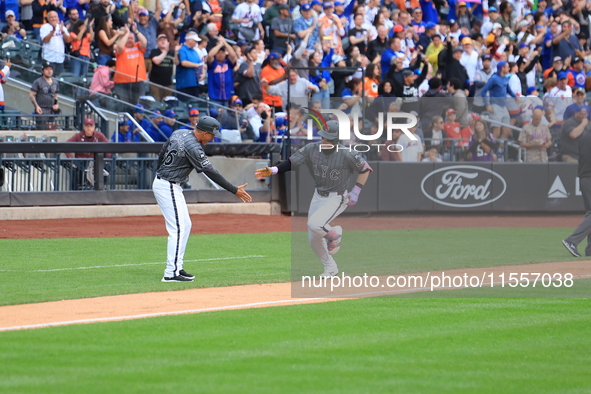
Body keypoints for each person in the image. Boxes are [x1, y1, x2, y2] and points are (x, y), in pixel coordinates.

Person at [254, 120, 372, 277]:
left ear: (336, 139)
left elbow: (365, 169)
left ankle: (335, 234)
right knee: (313, 237)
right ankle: (330, 267)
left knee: (315, 224)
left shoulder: (347, 153)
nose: (324, 141)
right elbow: (292, 162)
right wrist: (274, 170)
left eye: (328, 138)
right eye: (323, 137)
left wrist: (357, 190)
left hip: (337, 197)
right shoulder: (312, 148)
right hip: (318, 195)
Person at [153, 116, 252, 282]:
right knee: (178, 229)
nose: (213, 138)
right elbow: (210, 172)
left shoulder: (180, 132)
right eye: (212, 135)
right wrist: (234, 190)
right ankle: (171, 273)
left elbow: (162, 153)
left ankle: (177, 266)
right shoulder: (194, 147)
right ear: (204, 133)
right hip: (168, 185)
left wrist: (159, 172)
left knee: (186, 225)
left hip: (167, 183)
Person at [562, 128, 591, 258]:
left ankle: (590, 249)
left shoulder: (585, 136)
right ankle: (572, 240)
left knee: (590, 214)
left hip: (584, 178)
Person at [113, 22, 147, 110]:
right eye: (128, 38)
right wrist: (127, 33)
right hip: (122, 81)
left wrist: (136, 31)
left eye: (132, 38)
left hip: (138, 80)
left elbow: (144, 42)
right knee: (124, 105)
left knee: (138, 105)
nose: (130, 40)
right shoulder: (120, 47)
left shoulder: (138, 46)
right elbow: (120, 46)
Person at [30, 61, 59, 130]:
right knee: (42, 130)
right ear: (43, 71)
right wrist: (36, 106)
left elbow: (55, 95)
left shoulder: (55, 83)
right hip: (42, 110)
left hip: (51, 110)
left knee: (52, 130)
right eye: (47, 69)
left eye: (50, 69)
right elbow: (31, 95)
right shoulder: (38, 81)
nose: (49, 71)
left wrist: (57, 104)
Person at [175, 31, 204, 102]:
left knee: (195, 105)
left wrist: (203, 73)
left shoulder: (195, 52)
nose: (196, 43)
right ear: (190, 40)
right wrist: (197, 65)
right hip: (184, 84)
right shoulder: (182, 49)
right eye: (195, 41)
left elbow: (201, 63)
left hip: (195, 84)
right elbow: (183, 63)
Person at [40, 10, 71, 76]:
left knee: (58, 79)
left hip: (60, 58)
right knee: (48, 78)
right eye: (51, 17)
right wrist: (53, 30)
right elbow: (45, 40)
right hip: (49, 57)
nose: (54, 18)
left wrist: (62, 31)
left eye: (55, 17)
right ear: (48, 19)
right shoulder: (44, 27)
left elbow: (68, 40)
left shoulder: (62, 27)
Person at [149, 34, 175, 101]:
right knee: (156, 102)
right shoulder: (154, 51)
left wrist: (176, 51)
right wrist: (165, 52)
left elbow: (177, 62)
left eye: (164, 40)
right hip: (155, 84)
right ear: (157, 42)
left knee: (168, 103)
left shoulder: (172, 52)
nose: (163, 41)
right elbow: (156, 61)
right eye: (160, 40)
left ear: (168, 42)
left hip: (168, 83)